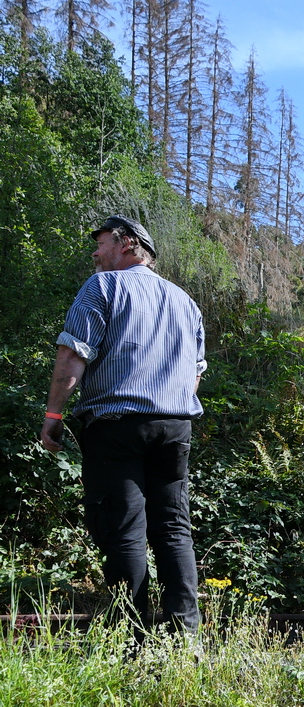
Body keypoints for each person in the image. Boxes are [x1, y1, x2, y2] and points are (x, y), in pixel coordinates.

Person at [39, 215, 206, 638]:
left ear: (128, 244)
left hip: (116, 426)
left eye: (101, 244)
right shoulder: (185, 301)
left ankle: (129, 640)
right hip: (175, 427)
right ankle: (185, 640)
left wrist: (54, 416)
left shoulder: (103, 287)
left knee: (124, 529)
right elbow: (195, 373)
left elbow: (73, 355)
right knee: (173, 529)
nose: (94, 253)